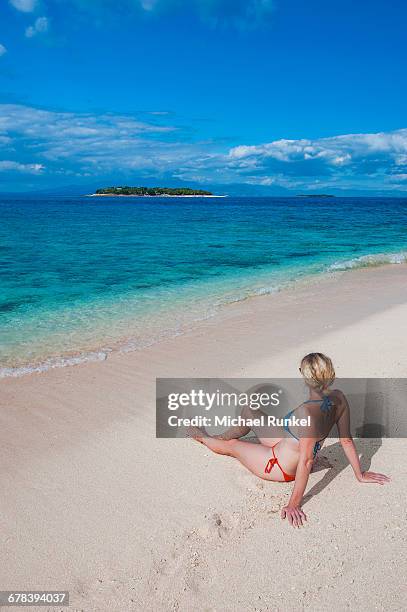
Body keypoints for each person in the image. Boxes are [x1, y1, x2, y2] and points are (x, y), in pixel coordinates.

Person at [190, 352, 390, 528]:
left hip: (280, 465)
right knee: (250, 410)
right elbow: (346, 440)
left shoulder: (307, 412)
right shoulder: (339, 398)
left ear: (306, 377)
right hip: (287, 446)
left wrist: (294, 503)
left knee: (231, 447)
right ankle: (225, 434)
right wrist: (359, 474)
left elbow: (306, 461)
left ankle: (200, 435)